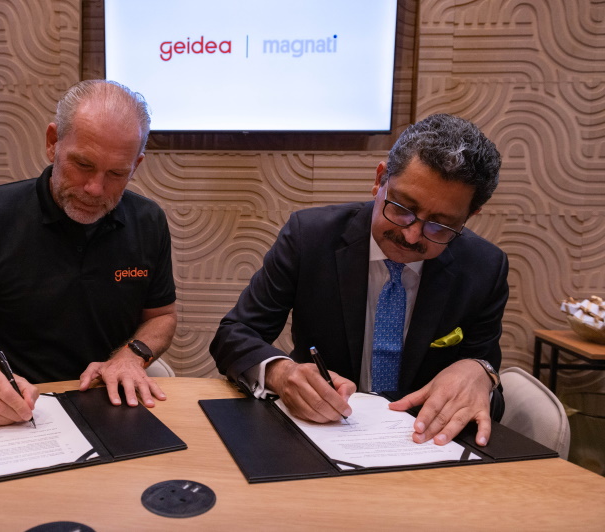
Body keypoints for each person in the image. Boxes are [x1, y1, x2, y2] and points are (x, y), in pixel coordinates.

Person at [210, 114, 506, 448]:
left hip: (422, 444)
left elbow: (489, 398)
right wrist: (281, 373)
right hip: (319, 432)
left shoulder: (484, 267)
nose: (411, 235)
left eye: (440, 225)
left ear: (468, 217)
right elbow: (234, 335)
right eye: (403, 208)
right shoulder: (311, 237)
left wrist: (480, 374)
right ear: (380, 180)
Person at [0, 80, 177, 426]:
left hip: (111, 407)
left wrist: (132, 355)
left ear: (136, 165)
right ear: (53, 141)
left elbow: (162, 317)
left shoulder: (148, 221)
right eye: (83, 164)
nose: (95, 188)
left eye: (117, 173)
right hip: (20, 411)